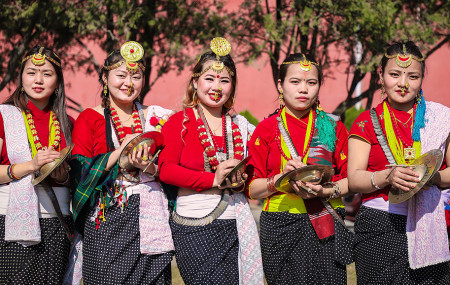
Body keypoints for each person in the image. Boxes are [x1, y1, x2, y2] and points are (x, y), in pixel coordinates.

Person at [158, 37, 264, 285]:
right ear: (195, 82)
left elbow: (254, 173)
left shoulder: (243, 127)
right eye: (209, 79)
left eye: (225, 80)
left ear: (232, 87)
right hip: (194, 226)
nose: (217, 87)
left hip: (236, 224)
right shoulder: (180, 123)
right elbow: (166, 170)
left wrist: (241, 180)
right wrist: (213, 179)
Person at [69, 41, 174, 284]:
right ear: (105, 77)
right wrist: (120, 152)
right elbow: (80, 173)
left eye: (136, 76)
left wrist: (148, 167)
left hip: (152, 220)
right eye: (121, 75)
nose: (129, 83)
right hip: (107, 221)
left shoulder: (158, 118)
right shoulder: (90, 118)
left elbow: (170, 168)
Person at [348, 41, 450, 284]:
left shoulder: (440, 118)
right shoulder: (365, 122)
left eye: (412, 76)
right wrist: (387, 177)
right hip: (379, 226)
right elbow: (354, 178)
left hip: (429, 223)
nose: (403, 83)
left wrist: (431, 177)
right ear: (380, 75)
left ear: (421, 79)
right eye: (395, 74)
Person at [246, 53, 353, 284]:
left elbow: (350, 180)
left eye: (311, 82)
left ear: (318, 87)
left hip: (325, 220)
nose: (303, 89)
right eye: (295, 82)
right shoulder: (265, 129)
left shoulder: (332, 126)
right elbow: (252, 189)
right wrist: (280, 180)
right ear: (280, 85)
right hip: (279, 225)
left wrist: (324, 191)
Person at [0, 46, 73, 284]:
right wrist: (31, 165)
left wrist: (62, 176)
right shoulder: (4, 116)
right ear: (21, 77)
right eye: (31, 72)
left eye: (47, 74)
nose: (38, 80)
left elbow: (76, 178)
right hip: (11, 220)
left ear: (58, 81)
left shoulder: (68, 122)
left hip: (57, 221)